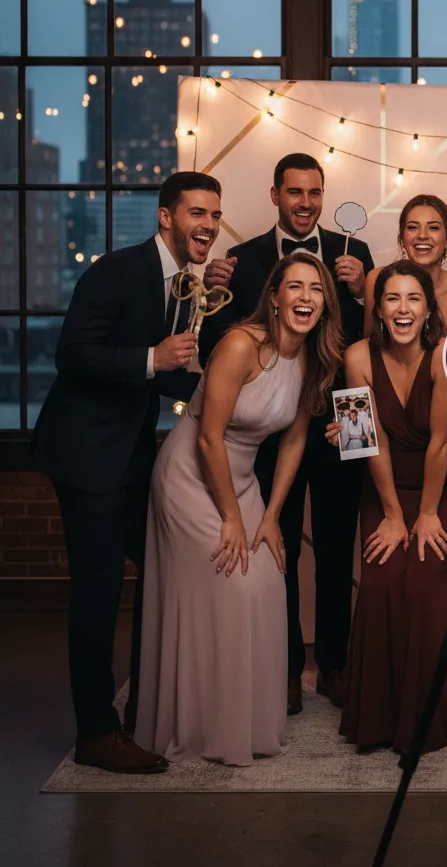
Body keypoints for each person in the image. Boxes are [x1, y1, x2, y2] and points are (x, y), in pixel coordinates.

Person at [31, 172, 232, 774]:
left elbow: (172, 375)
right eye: (197, 213)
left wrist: (224, 380)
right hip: (87, 455)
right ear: (166, 217)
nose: (208, 225)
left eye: (215, 215)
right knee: (97, 593)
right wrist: (152, 358)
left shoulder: (185, 285)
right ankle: (96, 731)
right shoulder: (115, 270)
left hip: (129, 454)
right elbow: (72, 354)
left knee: (165, 563)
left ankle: (149, 700)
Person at [135, 255, 342, 765]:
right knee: (233, 582)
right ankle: (201, 725)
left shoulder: (313, 356)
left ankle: (244, 719)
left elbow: (293, 443)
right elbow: (208, 436)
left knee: (270, 577)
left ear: (324, 303)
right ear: (274, 296)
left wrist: (270, 516)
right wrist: (232, 518)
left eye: (315, 289)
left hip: (243, 478)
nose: (305, 297)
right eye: (294, 287)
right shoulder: (239, 345)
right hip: (191, 475)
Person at [201, 153, 374, 714]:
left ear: (324, 197)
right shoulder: (242, 259)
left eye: (314, 192)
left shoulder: (356, 256)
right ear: (275, 195)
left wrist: (364, 291)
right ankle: (284, 668)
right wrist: (208, 297)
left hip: (341, 418)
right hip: (276, 426)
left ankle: (335, 665)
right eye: (294, 192)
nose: (305, 203)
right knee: (276, 544)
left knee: (335, 542)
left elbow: (367, 347)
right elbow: (222, 352)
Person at [329, 260, 447, 753]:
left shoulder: (445, 357)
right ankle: (378, 720)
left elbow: (440, 443)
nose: (403, 309)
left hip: (444, 489)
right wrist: (393, 515)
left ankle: (429, 719)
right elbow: (368, 442)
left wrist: (427, 514)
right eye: (392, 299)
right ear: (378, 308)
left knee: (423, 580)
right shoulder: (355, 358)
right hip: (385, 487)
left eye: (414, 299)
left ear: (429, 308)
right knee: (385, 578)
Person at [364, 194, 447, 335]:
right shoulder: (376, 280)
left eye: (433, 228)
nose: (422, 235)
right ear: (402, 239)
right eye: (413, 227)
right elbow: (369, 344)